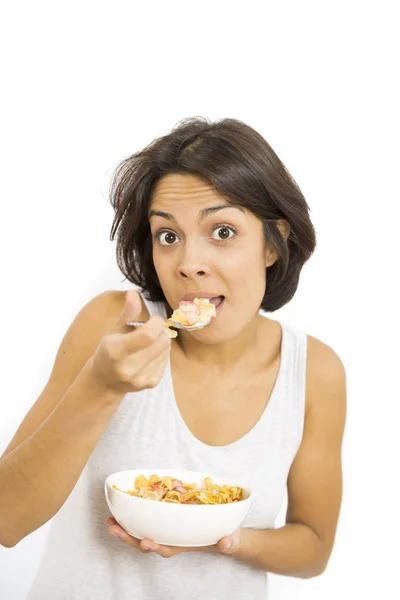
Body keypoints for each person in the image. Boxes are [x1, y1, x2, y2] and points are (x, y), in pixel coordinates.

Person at [0, 117, 347, 599]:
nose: (187, 263)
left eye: (222, 231)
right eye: (168, 235)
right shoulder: (113, 326)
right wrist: (100, 387)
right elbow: (6, 520)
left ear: (273, 243)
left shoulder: (315, 372)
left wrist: (220, 539)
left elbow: (313, 550)